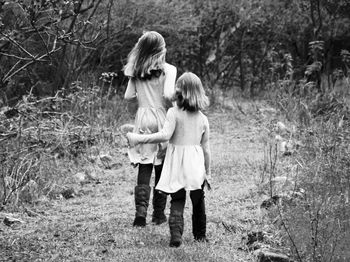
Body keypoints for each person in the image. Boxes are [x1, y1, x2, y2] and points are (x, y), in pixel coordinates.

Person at [127, 72, 211, 247]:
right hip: (195, 165)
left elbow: (164, 135)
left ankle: (176, 236)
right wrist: (207, 172)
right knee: (198, 200)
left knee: (178, 199)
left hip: (176, 165)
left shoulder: (173, 113)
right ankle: (200, 235)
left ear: (179, 91)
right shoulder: (203, 119)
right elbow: (206, 149)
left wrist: (138, 138)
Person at [123, 31, 177, 227]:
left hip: (143, 118)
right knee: (162, 164)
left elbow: (128, 96)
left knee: (144, 164)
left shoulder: (136, 70)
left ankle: (140, 213)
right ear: (161, 49)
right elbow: (169, 94)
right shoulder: (169, 69)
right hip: (162, 117)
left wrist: (135, 76)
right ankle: (159, 214)